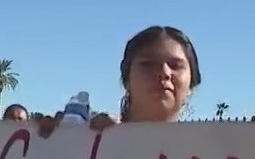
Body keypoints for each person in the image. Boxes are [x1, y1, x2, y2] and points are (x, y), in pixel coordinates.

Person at [38, 25, 201, 137]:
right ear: (126, 79)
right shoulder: (90, 139)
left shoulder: (214, 154)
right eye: (148, 64)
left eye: (175, 65)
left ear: (191, 84)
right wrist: (48, 144)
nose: (164, 73)